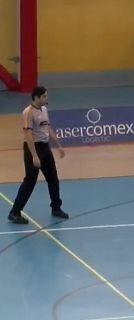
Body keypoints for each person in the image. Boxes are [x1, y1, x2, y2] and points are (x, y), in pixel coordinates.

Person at [8, 86, 68, 224]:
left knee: (53, 178)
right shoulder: (28, 113)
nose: (47, 98)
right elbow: (28, 135)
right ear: (37, 97)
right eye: (45, 96)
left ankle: (56, 208)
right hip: (33, 149)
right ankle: (15, 213)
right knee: (30, 181)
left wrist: (58, 146)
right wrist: (34, 156)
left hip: (45, 148)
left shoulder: (44, 109)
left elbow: (47, 127)